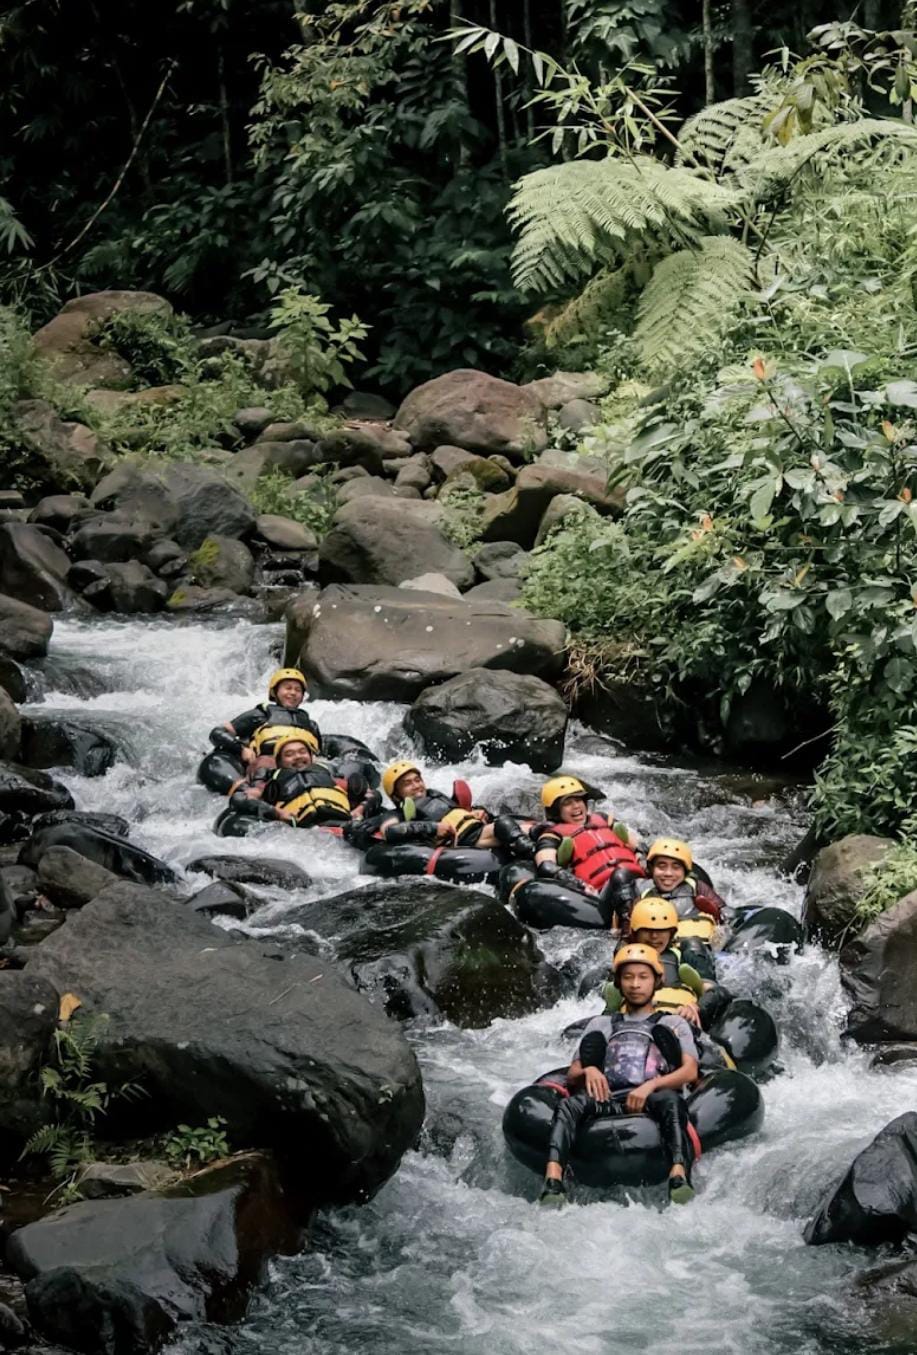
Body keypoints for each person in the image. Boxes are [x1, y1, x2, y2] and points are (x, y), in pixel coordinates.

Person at [540, 943, 698, 1208]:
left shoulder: (673, 1023)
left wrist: (651, 1087)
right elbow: (574, 1072)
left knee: (672, 1101)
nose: (635, 984)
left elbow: (690, 1071)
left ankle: (679, 1175)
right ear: (618, 982)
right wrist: (590, 1069)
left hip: (653, 1098)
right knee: (568, 1105)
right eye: (628, 977)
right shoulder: (601, 1024)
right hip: (607, 1097)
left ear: (657, 981)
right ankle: (553, 1180)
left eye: (643, 977)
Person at [532, 777, 645, 926]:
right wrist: (578, 884)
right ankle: (627, 928)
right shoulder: (552, 835)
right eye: (567, 803)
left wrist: (643, 859)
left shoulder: (604, 819)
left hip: (637, 878)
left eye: (579, 800)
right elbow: (546, 866)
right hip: (603, 890)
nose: (576, 806)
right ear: (555, 810)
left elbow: (639, 846)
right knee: (620, 874)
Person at [362, 760, 531, 855]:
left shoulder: (436, 796)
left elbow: (456, 812)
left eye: (417, 780)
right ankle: (529, 851)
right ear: (396, 794)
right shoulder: (397, 813)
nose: (416, 785)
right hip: (462, 840)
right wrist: (434, 828)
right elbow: (390, 831)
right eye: (407, 784)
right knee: (504, 824)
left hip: (476, 829)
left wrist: (477, 813)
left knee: (532, 829)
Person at [603, 897, 725, 1027]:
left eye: (661, 930)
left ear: (671, 933)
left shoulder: (685, 954)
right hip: (635, 1028)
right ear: (635, 933)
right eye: (647, 930)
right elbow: (610, 1006)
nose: (654, 937)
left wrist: (696, 1008)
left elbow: (718, 993)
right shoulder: (625, 958)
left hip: (680, 1024)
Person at [256, 732, 372, 828]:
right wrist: (278, 813)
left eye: (302, 752)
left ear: (311, 757)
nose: (298, 756)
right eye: (289, 754)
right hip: (300, 828)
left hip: (340, 822)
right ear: (279, 762)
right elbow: (246, 799)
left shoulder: (329, 778)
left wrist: (360, 810)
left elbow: (372, 795)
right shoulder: (273, 785)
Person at [210, 668, 322, 766]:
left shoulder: (310, 724)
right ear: (274, 692)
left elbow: (320, 752)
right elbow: (218, 732)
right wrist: (242, 749)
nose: (293, 692)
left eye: (298, 690)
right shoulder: (260, 715)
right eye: (288, 688)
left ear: (302, 696)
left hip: (306, 764)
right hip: (269, 764)